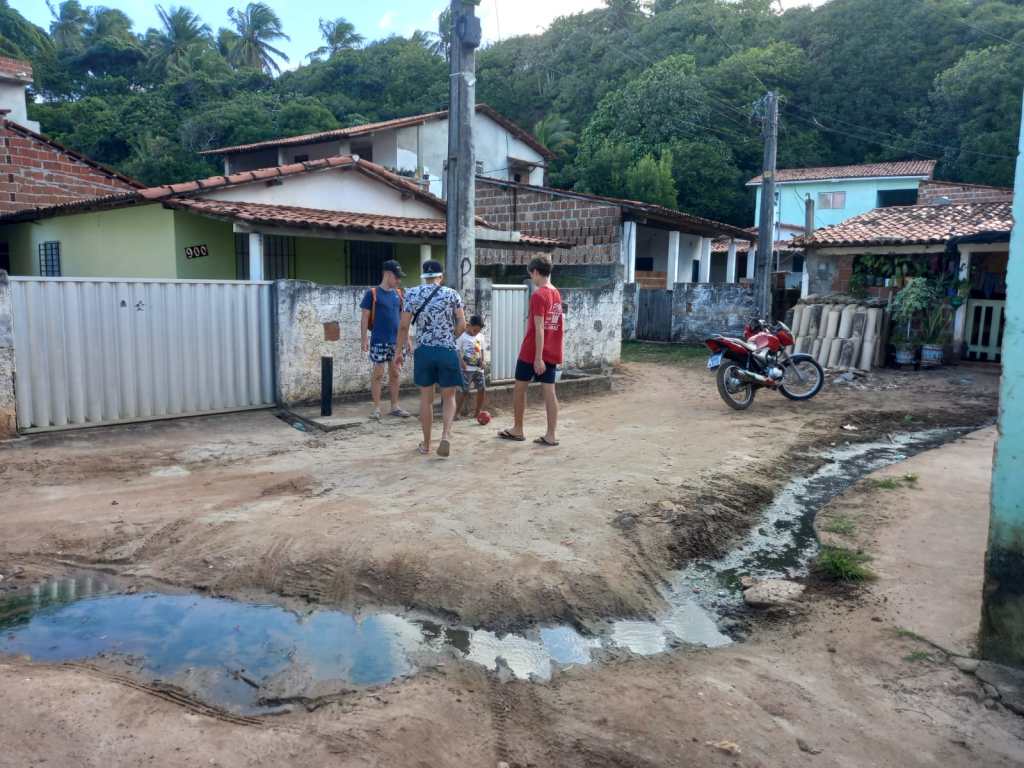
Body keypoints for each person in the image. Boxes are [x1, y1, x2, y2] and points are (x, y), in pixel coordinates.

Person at [395, 259, 466, 457]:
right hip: (447, 351)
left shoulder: (411, 294)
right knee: (449, 397)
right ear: (440, 277)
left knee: (426, 400)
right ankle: (445, 436)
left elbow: (403, 326)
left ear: (424, 276)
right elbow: (462, 324)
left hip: (424, 351)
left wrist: (398, 352)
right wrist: (449, 339)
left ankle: (426, 445)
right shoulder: (452, 294)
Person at [497, 254, 563, 447]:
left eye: (531, 275)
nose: (532, 278)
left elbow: (540, 327)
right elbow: (557, 325)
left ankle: (518, 429)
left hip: (532, 352)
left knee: (520, 389)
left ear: (535, 272)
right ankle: (551, 435)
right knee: (550, 392)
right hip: (551, 350)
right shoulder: (556, 293)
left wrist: (538, 358)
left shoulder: (539, 295)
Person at [359, 259, 411, 420]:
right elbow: (364, 317)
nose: (398, 280)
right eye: (396, 277)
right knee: (378, 374)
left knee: (395, 373)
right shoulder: (372, 293)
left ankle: (395, 406)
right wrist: (364, 339)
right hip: (379, 340)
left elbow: (403, 319)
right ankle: (376, 408)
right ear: (387, 274)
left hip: (397, 342)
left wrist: (407, 339)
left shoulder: (399, 294)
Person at [456, 315, 487, 420]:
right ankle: (456, 413)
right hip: (467, 369)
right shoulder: (462, 337)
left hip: (478, 369)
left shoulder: (481, 337)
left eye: (478, 331)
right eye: (474, 330)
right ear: (469, 326)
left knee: (482, 389)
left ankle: (477, 412)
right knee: (464, 391)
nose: (476, 333)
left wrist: (483, 361)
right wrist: (461, 362)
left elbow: (481, 350)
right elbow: (457, 350)